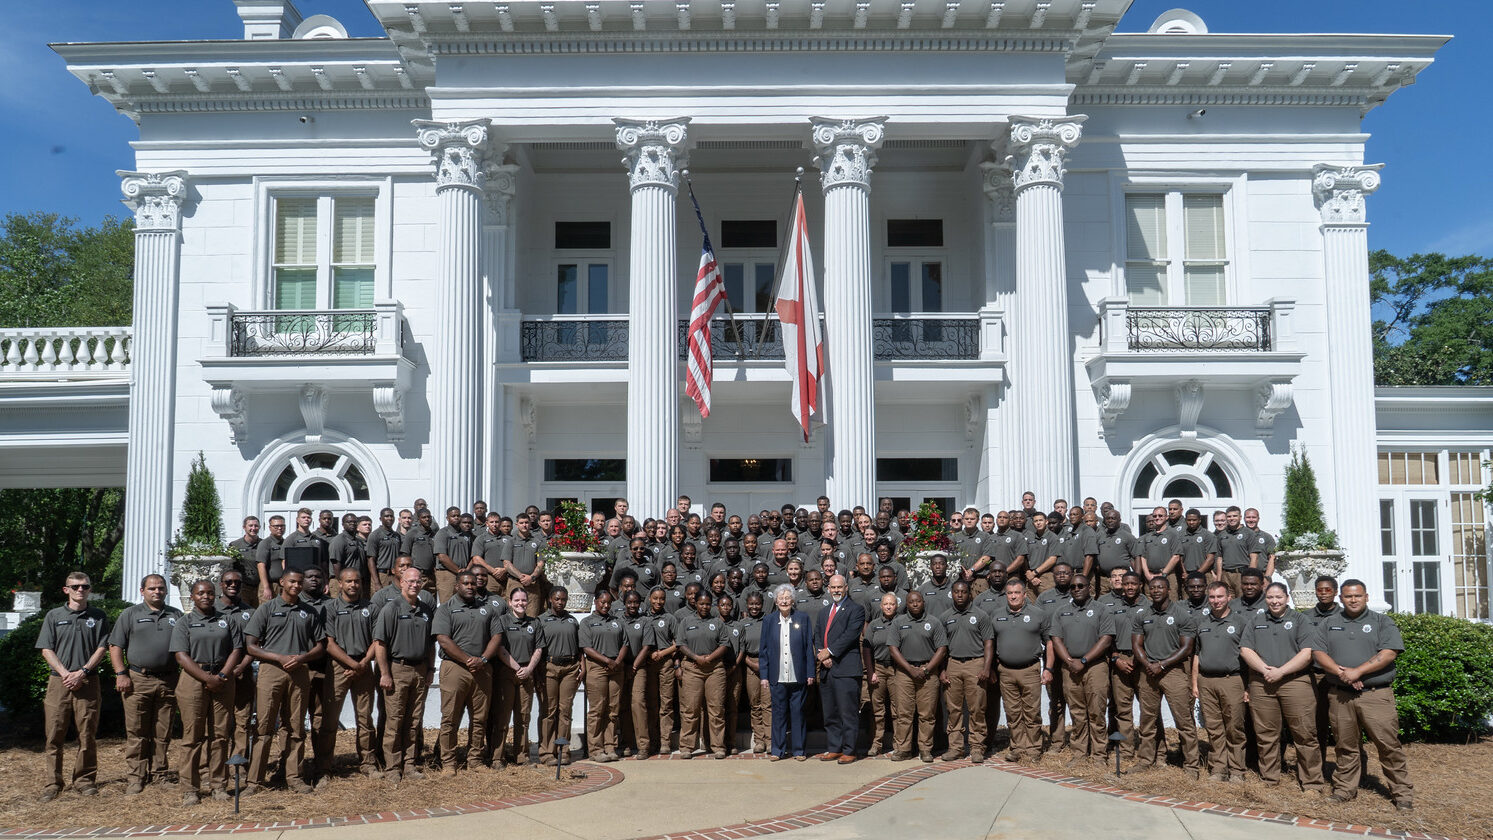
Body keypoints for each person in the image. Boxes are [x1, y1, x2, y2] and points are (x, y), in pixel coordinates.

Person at [1308, 579, 1413, 810]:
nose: (1353, 600)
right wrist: (1341, 673)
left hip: (1375, 695)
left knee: (1388, 745)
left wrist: (1358, 672)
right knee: (1345, 746)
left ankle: (1402, 793)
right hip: (1340, 696)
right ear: (1341, 598)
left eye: (1357, 596)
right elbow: (1318, 652)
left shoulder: (1382, 622)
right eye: (1348, 596)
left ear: (1366, 597)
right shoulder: (1329, 623)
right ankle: (1345, 789)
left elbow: (1389, 653)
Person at [244, 569, 326, 794]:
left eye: (300, 582)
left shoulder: (308, 612)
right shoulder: (267, 609)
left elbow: (320, 646)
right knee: (264, 727)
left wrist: (303, 658)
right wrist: (278, 657)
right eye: (292, 581)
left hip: (299, 672)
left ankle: (294, 777)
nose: (296, 586)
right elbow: (251, 646)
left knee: (296, 727)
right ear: (281, 582)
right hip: (271, 671)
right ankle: (255, 782)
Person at [1240, 581, 1325, 794]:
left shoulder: (1300, 620)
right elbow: (1246, 650)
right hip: (1263, 683)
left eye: (1279, 597)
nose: (1275, 601)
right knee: (1266, 734)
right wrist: (1264, 669)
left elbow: (1307, 653)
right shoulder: (1256, 620)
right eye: (1270, 597)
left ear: (1287, 598)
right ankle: (1270, 778)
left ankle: (1312, 783)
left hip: (1295, 682)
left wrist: (1281, 671)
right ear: (1265, 599)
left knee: (1304, 734)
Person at [36, 571, 110, 802]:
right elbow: (46, 648)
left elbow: (102, 648)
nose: (80, 590)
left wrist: (83, 671)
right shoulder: (53, 615)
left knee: (87, 734)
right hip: (59, 682)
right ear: (66, 590)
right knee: (54, 735)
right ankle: (53, 782)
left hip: (88, 681)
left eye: (85, 586)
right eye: (75, 586)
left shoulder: (98, 616)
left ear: (90, 589)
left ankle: (84, 780)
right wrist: (66, 673)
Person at [171, 580, 245, 804]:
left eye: (210, 593)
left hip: (223, 679)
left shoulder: (227, 620)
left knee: (220, 736)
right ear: (192, 596)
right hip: (194, 680)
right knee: (192, 737)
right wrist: (207, 678)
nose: (206, 596)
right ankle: (190, 789)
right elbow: (181, 655)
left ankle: (218, 785)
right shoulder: (185, 622)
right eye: (200, 593)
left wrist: (221, 676)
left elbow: (236, 649)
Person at [108, 573, 182, 795]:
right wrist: (121, 673)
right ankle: (136, 776)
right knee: (137, 730)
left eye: (161, 588)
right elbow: (115, 646)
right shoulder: (130, 614)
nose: (157, 591)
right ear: (142, 591)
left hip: (168, 679)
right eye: (152, 588)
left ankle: (160, 774)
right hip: (138, 679)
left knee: (163, 730)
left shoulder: (176, 615)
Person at [433, 569, 505, 774]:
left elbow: (496, 636)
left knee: (479, 718)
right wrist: (467, 659)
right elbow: (444, 640)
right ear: (457, 586)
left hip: (482, 669)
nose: (471, 587)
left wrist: (482, 659)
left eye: (473, 584)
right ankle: (449, 762)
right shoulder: (446, 609)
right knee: (450, 718)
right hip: (455, 668)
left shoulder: (487, 608)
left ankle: (475, 760)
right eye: (466, 583)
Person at [1132, 575, 1201, 778]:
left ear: (1168, 589)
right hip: (1148, 672)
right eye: (1152, 588)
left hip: (1173, 672)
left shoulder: (1182, 615)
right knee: (1148, 720)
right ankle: (1147, 760)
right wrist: (1148, 665)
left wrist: (1161, 665)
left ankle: (1191, 765)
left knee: (1184, 720)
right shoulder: (1142, 614)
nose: (1156, 590)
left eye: (1160, 587)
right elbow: (1137, 644)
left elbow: (1187, 648)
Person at [374, 566, 436, 783]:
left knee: (413, 721)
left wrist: (430, 669)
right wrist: (385, 673)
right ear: (401, 582)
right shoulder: (390, 609)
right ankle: (392, 767)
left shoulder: (426, 609)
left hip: (419, 670)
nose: (414, 585)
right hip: (397, 670)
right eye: (410, 581)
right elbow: (380, 644)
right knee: (395, 721)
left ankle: (409, 764)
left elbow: (430, 644)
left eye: (418, 581)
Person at [1048, 573, 1113, 764]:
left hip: (1095, 666)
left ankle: (1099, 754)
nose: (1076, 589)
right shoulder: (1061, 611)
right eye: (1073, 587)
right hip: (1070, 668)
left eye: (1080, 586)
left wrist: (1083, 661)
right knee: (1077, 712)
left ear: (1089, 588)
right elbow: (1056, 639)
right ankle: (1079, 753)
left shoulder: (1102, 610)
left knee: (1097, 712)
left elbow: (1106, 639)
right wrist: (1069, 661)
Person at [321, 567, 380, 779]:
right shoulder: (330, 608)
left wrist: (363, 663)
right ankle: (325, 767)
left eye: (357, 581)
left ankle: (367, 763)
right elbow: (328, 643)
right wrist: (351, 664)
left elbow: (377, 640)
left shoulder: (371, 607)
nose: (353, 585)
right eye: (349, 581)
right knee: (329, 720)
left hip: (364, 666)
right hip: (339, 667)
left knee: (365, 719)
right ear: (340, 583)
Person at [989, 577, 1051, 763]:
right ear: (1005, 595)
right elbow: (990, 644)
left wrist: (1048, 668)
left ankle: (1033, 749)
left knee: (1032, 712)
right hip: (1005, 671)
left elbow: (1050, 643)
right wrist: (991, 668)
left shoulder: (1038, 614)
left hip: (1030, 669)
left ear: (1025, 594)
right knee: (1013, 712)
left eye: (1017, 593)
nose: (1013, 596)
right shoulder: (996, 615)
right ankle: (1017, 747)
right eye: (1010, 593)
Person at [1192, 581, 1249, 782]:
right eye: (1213, 597)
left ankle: (1236, 770)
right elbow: (1197, 654)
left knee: (1234, 727)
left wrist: (1247, 686)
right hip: (1206, 681)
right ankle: (1218, 769)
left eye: (1220, 597)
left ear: (1228, 597)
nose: (1216, 601)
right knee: (1214, 728)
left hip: (1231, 680)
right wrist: (1195, 683)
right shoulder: (1202, 622)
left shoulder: (1240, 622)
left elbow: (1247, 656)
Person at [758, 584, 816, 761]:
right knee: (778, 713)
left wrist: (810, 673)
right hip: (777, 676)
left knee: (798, 713)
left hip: (797, 675)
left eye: (787, 597)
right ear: (775, 601)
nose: (784, 600)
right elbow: (764, 650)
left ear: (793, 600)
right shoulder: (768, 621)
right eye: (781, 598)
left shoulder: (802, 618)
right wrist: (764, 675)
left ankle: (799, 750)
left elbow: (808, 648)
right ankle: (777, 750)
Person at [888, 590, 947, 762]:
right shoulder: (898, 622)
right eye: (911, 602)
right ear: (906, 603)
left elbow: (942, 648)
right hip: (904, 673)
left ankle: (925, 749)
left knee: (927, 714)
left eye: (918, 601)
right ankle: (903, 749)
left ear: (923, 602)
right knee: (904, 713)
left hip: (928, 672)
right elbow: (893, 649)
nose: (915, 604)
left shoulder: (934, 622)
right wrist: (909, 669)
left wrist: (927, 669)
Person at [814, 573, 866, 762]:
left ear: (846, 588)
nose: (836, 590)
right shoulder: (823, 612)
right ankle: (834, 747)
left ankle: (849, 750)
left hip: (846, 669)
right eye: (833, 587)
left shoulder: (856, 609)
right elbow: (818, 635)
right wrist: (822, 654)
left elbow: (850, 635)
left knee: (848, 713)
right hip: (827, 670)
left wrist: (830, 652)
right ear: (828, 589)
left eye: (839, 587)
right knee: (831, 713)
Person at [939, 580, 993, 762]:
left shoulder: (981, 615)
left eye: (963, 592)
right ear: (952, 593)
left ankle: (977, 747)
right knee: (953, 709)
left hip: (975, 663)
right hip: (953, 663)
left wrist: (986, 667)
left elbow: (988, 643)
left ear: (970, 593)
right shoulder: (945, 616)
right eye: (956, 592)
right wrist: (943, 670)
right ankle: (955, 747)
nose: (959, 595)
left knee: (977, 707)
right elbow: (942, 647)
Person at [492, 587, 544, 766]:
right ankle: (497, 757)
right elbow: (500, 648)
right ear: (510, 602)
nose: (521, 603)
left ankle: (522, 756)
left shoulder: (534, 623)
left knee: (523, 717)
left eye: (523, 600)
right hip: (507, 672)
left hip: (526, 674)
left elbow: (539, 648)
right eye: (517, 600)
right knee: (503, 716)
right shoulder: (502, 621)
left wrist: (528, 669)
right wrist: (516, 667)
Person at [677, 590, 731, 759]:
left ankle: (718, 746)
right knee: (690, 709)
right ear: (696, 603)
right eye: (701, 603)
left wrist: (709, 658)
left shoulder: (717, 622)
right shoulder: (686, 621)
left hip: (714, 670)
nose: (705, 606)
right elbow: (681, 644)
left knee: (716, 710)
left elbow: (724, 644)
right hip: (692, 669)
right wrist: (696, 658)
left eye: (708, 604)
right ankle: (686, 747)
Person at [579, 591, 628, 762]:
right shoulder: (587, 623)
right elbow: (586, 648)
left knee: (613, 710)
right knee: (597, 710)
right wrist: (607, 660)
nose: (606, 606)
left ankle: (610, 746)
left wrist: (617, 661)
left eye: (609, 603)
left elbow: (625, 644)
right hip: (597, 668)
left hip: (616, 669)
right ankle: (595, 749)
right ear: (595, 602)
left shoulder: (617, 621)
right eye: (602, 602)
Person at [216, 570, 258, 761]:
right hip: (217, 675)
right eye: (229, 582)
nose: (233, 585)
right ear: (221, 584)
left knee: (243, 720)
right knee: (219, 722)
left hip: (243, 672)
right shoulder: (212, 610)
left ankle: (239, 762)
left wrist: (241, 667)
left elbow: (255, 645)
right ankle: (217, 763)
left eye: (237, 582)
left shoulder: (250, 612)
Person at [539, 587, 582, 765]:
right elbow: (537, 649)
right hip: (549, 667)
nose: (560, 602)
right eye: (557, 599)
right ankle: (546, 752)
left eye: (563, 599)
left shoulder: (572, 621)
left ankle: (562, 749)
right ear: (550, 599)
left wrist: (582, 666)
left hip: (570, 668)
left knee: (565, 711)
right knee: (549, 711)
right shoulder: (541, 620)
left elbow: (580, 647)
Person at [862, 592, 900, 757]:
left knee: (897, 709)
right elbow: (867, 648)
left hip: (897, 670)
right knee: (877, 710)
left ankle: (899, 744)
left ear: (897, 605)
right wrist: (871, 672)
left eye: (892, 604)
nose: (889, 606)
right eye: (886, 604)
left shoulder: (902, 622)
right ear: (881, 606)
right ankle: (876, 744)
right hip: (878, 669)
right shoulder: (874, 624)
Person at [643, 587, 680, 757]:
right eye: (655, 598)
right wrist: (650, 654)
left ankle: (665, 741)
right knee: (651, 703)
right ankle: (653, 740)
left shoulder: (670, 618)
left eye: (662, 599)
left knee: (666, 703)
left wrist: (662, 653)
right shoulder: (644, 618)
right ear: (650, 599)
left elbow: (678, 643)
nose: (658, 602)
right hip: (648, 663)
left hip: (665, 663)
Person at [618, 590, 655, 758]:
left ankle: (643, 745)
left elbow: (647, 646)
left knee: (638, 703)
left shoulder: (645, 621)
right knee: (623, 705)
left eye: (636, 602)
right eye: (629, 602)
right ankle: (627, 742)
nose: (633, 605)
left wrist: (633, 667)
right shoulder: (617, 621)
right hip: (620, 667)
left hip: (638, 667)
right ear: (624, 603)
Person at [735, 592, 770, 753]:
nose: (754, 607)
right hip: (749, 665)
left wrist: (764, 665)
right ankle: (759, 740)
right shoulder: (742, 623)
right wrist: (750, 663)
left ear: (762, 604)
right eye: (751, 604)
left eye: (757, 604)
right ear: (747, 605)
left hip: (768, 664)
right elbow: (740, 648)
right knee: (755, 705)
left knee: (768, 705)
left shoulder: (769, 620)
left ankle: (770, 740)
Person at [229, 516, 263, 606]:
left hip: (260, 586)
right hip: (243, 587)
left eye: (256, 526)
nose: (253, 528)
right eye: (250, 525)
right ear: (244, 527)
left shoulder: (264, 544)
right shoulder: (235, 545)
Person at [255, 515, 287, 603]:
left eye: (282, 526)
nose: (280, 528)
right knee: (267, 612)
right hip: (270, 585)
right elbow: (261, 565)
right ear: (270, 527)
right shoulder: (265, 543)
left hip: (283, 585)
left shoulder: (286, 543)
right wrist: (266, 587)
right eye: (276, 526)